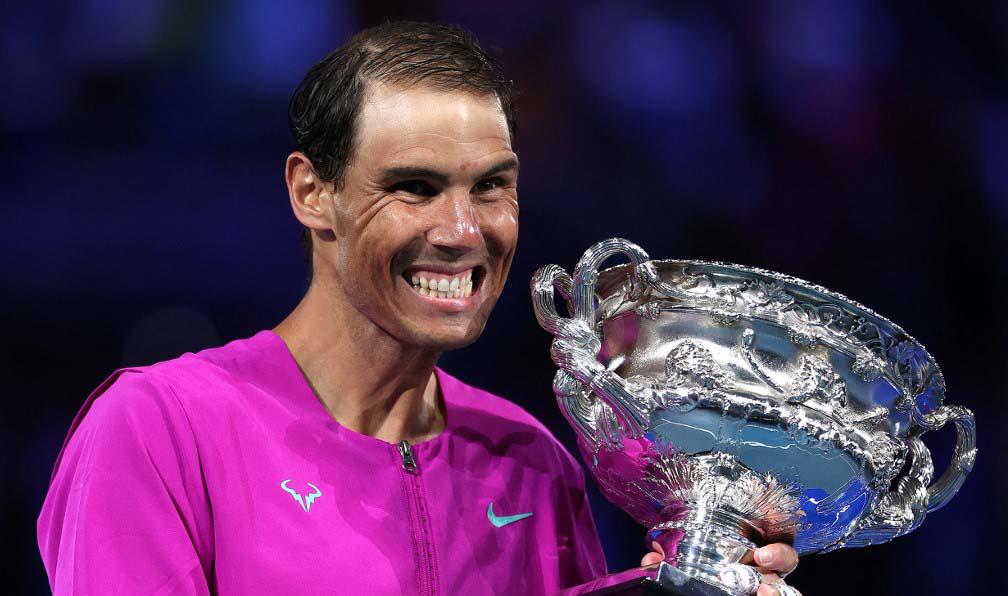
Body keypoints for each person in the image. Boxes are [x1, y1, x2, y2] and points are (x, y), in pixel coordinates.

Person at [37, 21, 800, 595]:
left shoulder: (533, 462)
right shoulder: (158, 429)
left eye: (491, 186)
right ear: (313, 193)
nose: (465, 232)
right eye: (414, 187)